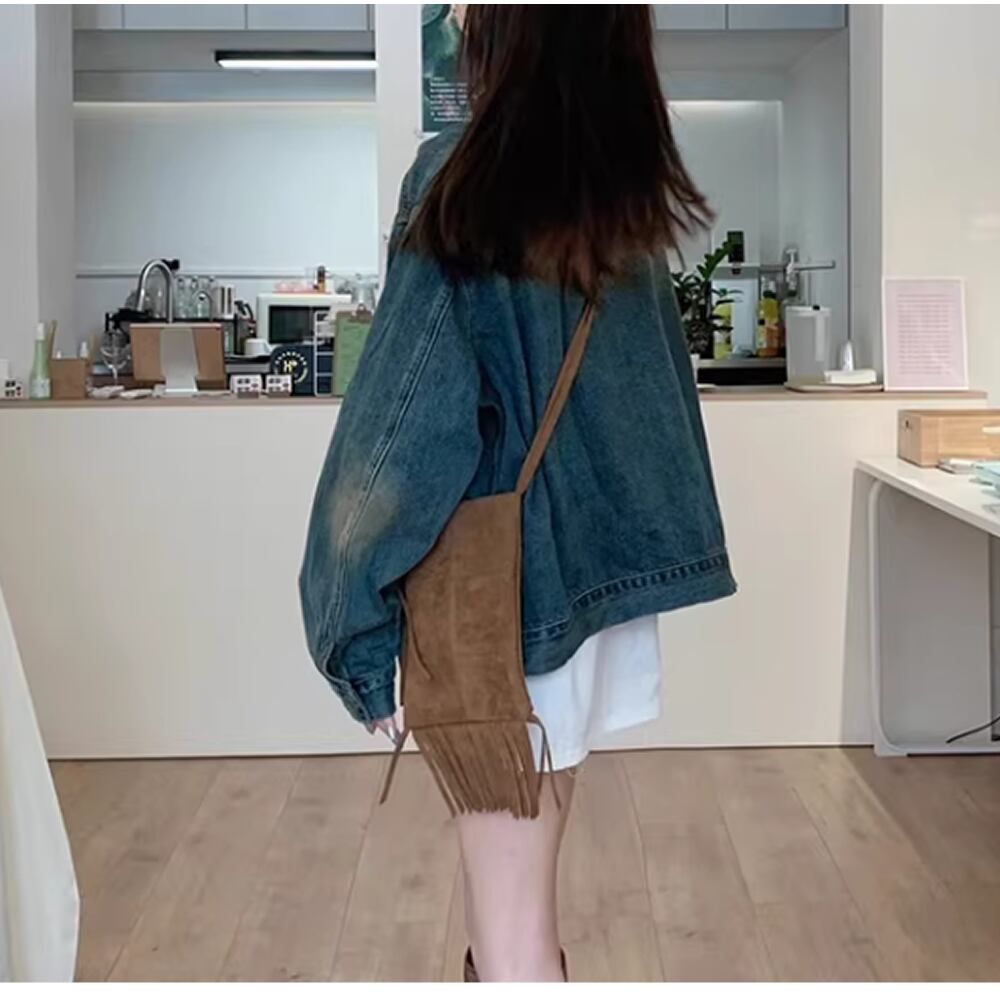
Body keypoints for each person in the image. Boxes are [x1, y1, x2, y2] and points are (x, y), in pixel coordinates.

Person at [300, 5, 735, 983]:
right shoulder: (618, 194)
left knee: (511, 933)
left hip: (502, 602)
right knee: (522, 899)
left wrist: (346, 614)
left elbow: (400, 428)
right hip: (582, 590)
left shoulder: (461, 179)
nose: (457, 11)